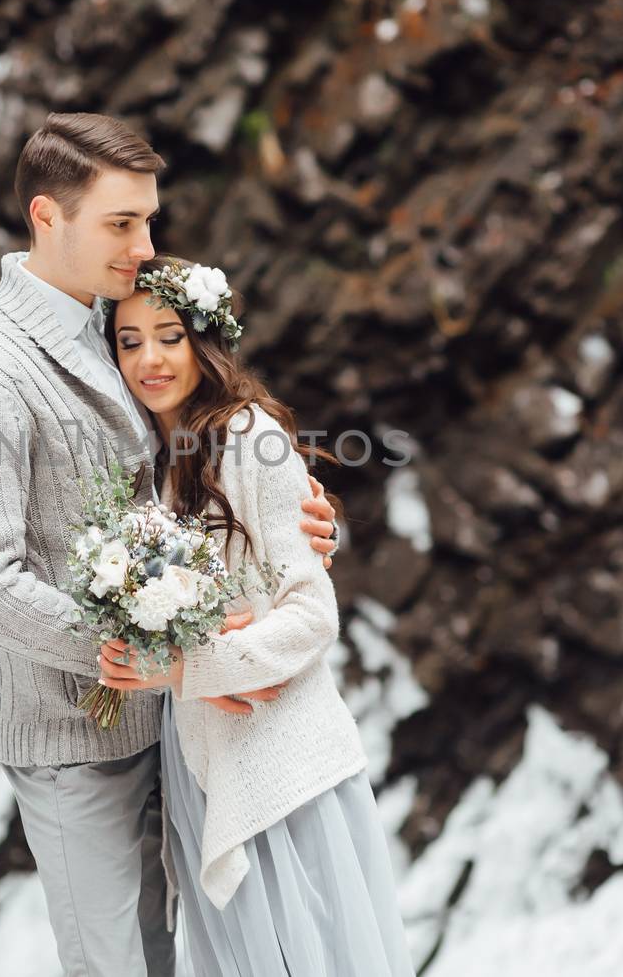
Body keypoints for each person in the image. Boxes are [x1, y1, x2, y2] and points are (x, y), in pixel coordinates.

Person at [0, 113, 340, 977]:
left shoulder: (120, 321)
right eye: (122, 224)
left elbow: (204, 460)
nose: (145, 244)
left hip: (176, 732)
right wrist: (159, 655)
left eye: (148, 219)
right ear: (48, 218)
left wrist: (298, 516)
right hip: (74, 739)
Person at [97, 254, 415, 976]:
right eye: (129, 340)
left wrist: (185, 664)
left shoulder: (251, 438)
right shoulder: (146, 463)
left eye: (169, 335)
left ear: (204, 340)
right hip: (201, 755)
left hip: (282, 763)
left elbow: (311, 616)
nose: (149, 358)